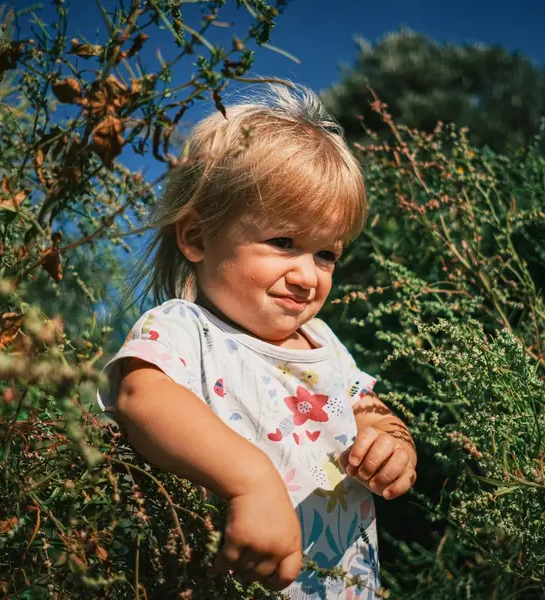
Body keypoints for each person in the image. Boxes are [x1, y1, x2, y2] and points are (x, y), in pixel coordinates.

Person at [99, 82, 417, 600]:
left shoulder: (324, 343)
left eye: (325, 255)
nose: (307, 276)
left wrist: (391, 444)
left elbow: (367, 408)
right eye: (284, 243)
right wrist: (253, 481)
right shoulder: (186, 328)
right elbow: (142, 397)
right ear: (197, 237)